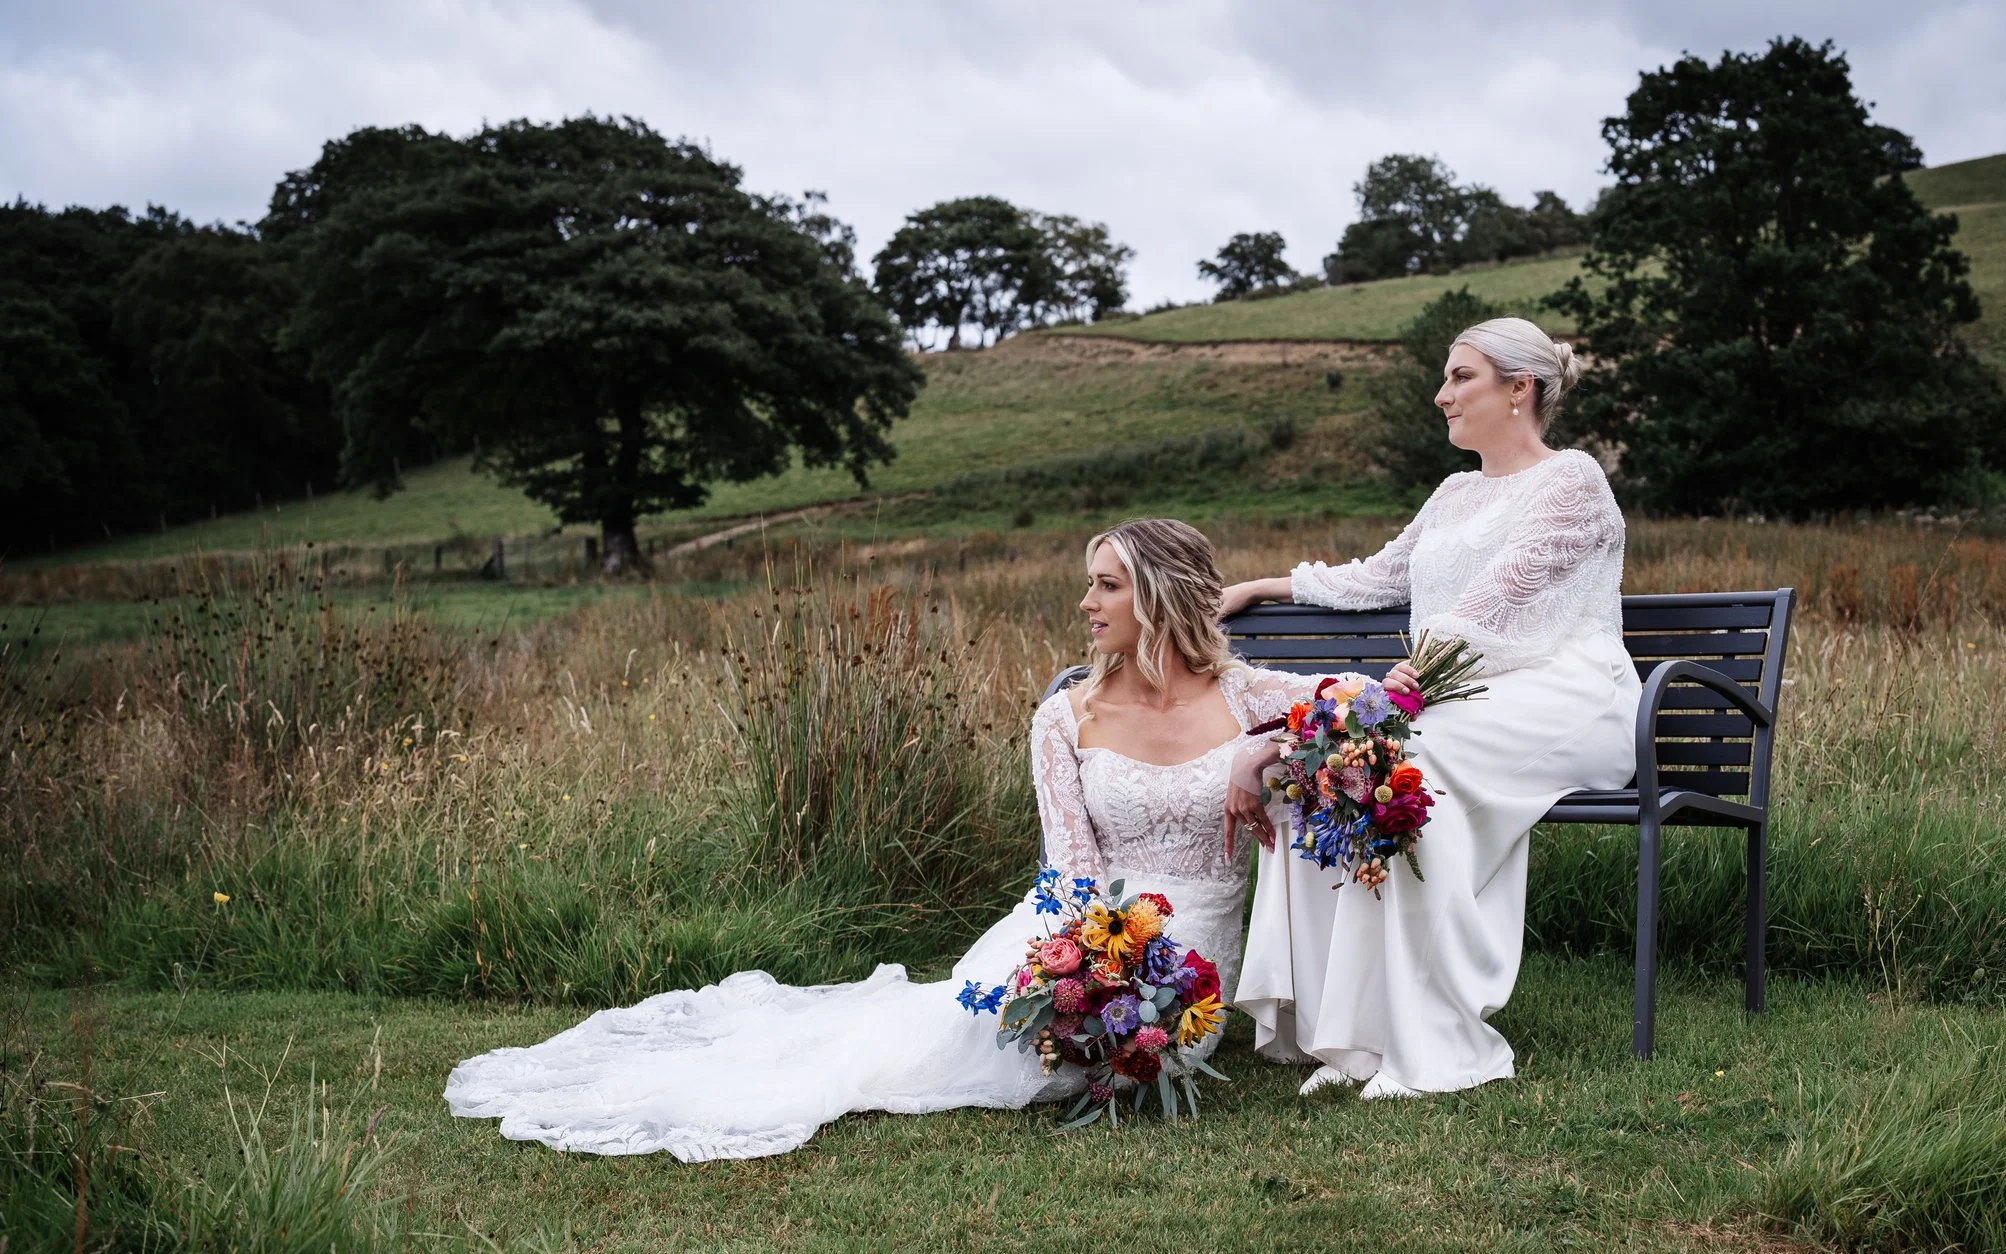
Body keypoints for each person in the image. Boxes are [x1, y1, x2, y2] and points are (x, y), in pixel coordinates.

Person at [446, 518, 1308, 1161]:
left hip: (1195, 968)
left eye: (1108, 586)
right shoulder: (1065, 716)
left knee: (1148, 1051)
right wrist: (1086, 975)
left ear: (1157, 593)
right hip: (1084, 933)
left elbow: (1370, 704)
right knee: (968, 1041)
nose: (1085, 603)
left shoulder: (1245, 695)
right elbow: (1072, 871)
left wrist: (1262, 746)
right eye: (1089, 583)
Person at [1222, 316, 1636, 1099]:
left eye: (1460, 377)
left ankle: (1431, 1034)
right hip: (1460, 689)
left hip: (1569, 694)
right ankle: (1350, 1036)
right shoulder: (1453, 493)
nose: (1441, 394)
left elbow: (1491, 607)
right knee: (1336, 769)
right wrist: (1267, 585)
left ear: (1521, 389)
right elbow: (1378, 578)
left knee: (1398, 762)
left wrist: (1380, 704)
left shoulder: (1573, 480)